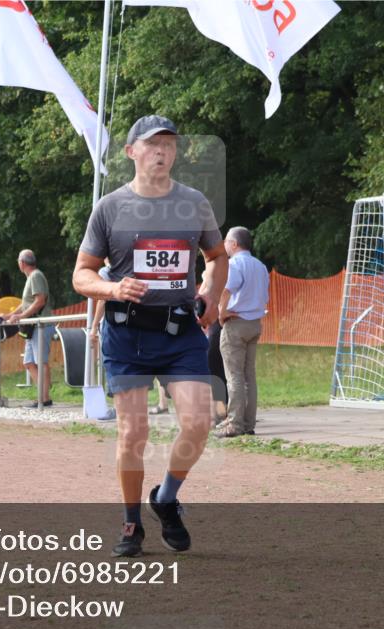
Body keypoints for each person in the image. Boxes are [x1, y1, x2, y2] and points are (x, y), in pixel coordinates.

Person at [73, 114, 228, 557]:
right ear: (132, 152)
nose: (163, 152)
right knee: (132, 434)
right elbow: (81, 275)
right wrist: (113, 287)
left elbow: (216, 256)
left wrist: (210, 293)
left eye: (170, 144)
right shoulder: (109, 207)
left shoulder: (194, 203)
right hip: (127, 334)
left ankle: (165, 498)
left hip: (180, 332)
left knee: (199, 423)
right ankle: (131, 523)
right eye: (153, 144)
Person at [215, 226, 269, 438]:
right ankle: (248, 423)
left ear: (234, 244)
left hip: (236, 323)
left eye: (227, 241)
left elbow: (226, 290)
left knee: (234, 376)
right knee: (249, 376)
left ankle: (234, 423)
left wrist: (221, 312)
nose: (224, 245)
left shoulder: (235, 264)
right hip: (255, 323)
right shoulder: (260, 266)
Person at [6, 249, 55, 408]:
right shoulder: (32, 277)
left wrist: (21, 317)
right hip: (33, 327)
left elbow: (39, 301)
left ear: (22, 263)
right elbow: (26, 303)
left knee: (41, 361)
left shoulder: (35, 276)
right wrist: (10, 315)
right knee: (29, 362)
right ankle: (42, 394)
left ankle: (44, 398)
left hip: (40, 325)